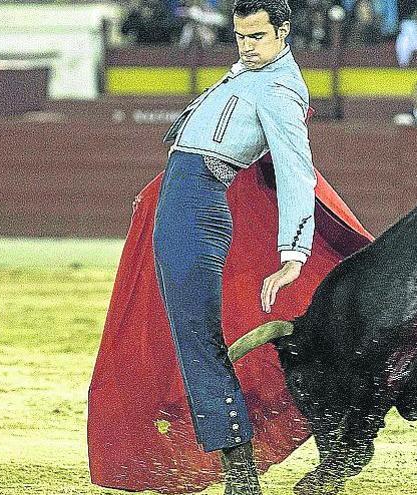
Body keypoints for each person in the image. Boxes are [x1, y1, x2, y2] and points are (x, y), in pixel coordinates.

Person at [155, 0, 317, 491]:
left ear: (283, 33)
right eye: (240, 37)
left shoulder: (280, 89)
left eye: (257, 37)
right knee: (193, 336)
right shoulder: (247, 75)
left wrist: (294, 251)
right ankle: (238, 468)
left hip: (198, 208)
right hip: (181, 206)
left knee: (198, 339)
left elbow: (295, 169)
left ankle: (240, 473)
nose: (246, 47)